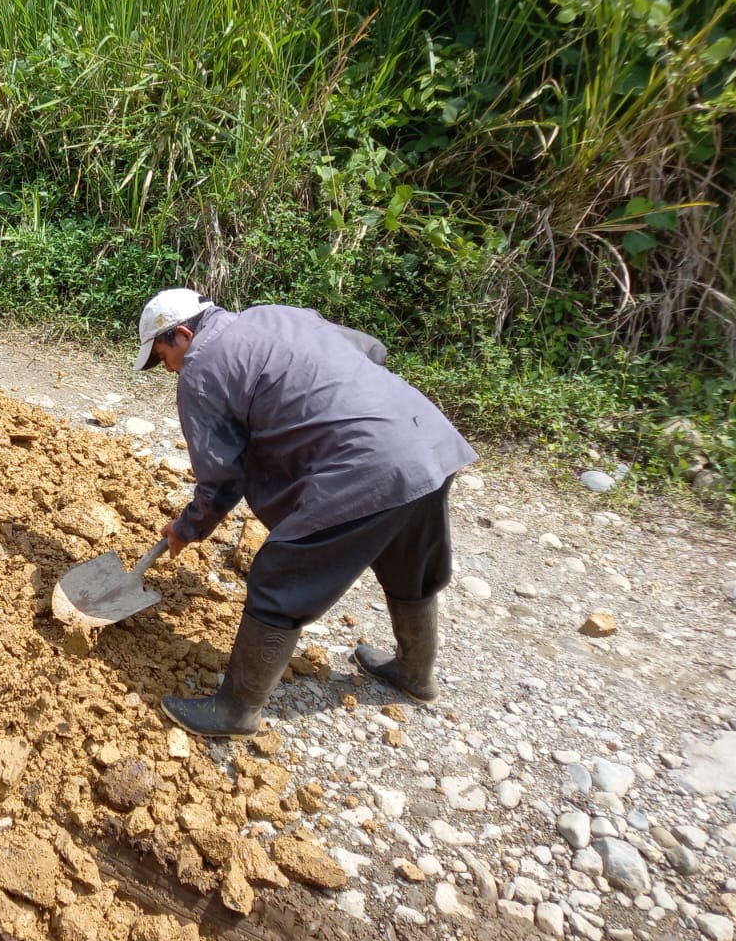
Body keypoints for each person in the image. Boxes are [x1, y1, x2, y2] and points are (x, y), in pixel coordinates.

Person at [134, 287, 478, 738]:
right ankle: (415, 675)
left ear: (182, 334)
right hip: (426, 439)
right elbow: (372, 350)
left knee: (280, 575)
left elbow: (221, 480)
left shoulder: (200, 369)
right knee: (409, 563)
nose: (169, 369)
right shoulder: (275, 315)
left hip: (364, 463)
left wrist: (187, 528)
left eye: (163, 357)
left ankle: (235, 711)